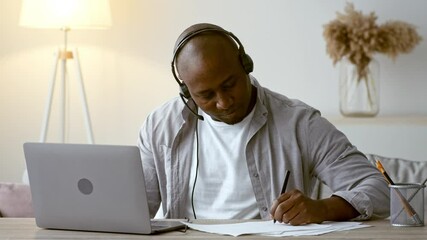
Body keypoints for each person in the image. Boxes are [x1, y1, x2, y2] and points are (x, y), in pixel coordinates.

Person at [137, 23, 390, 225]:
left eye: (229, 85)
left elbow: (379, 190)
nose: (224, 102)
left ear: (246, 65)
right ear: (187, 92)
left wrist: (321, 208)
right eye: (206, 95)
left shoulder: (299, 122)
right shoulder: (160, 126)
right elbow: (132, 211)